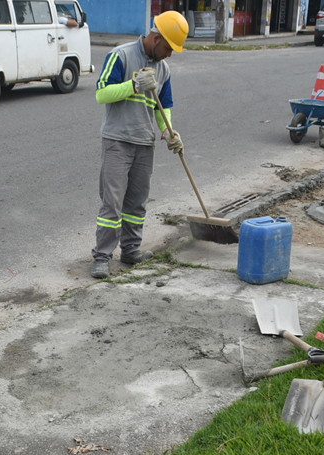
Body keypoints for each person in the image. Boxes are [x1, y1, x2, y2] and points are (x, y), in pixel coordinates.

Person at [90, 11, 189, 279]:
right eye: (168, 48)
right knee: (112, 203)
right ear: (156, 38)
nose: (169, 55)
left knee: (136, 203)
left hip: (145, 144)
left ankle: (131, 250)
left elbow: (163, 106)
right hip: (118, 141)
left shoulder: (163, 69)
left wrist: (169, 132)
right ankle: (102, 256)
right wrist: (133, 85)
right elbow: (102, 94)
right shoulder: (121, 55)